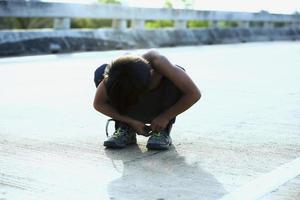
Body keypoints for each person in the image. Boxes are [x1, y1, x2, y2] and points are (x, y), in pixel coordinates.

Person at [93, 50, 201, 150]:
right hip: (128, 108)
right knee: (100, 72)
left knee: (177, 79)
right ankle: (125, 127)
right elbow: (98, 103)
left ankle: (161, 129)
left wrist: (165, 117)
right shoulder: (115, 73)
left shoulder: (159, 63)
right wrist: (131, 121)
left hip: (160, 105)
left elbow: (194, 94)